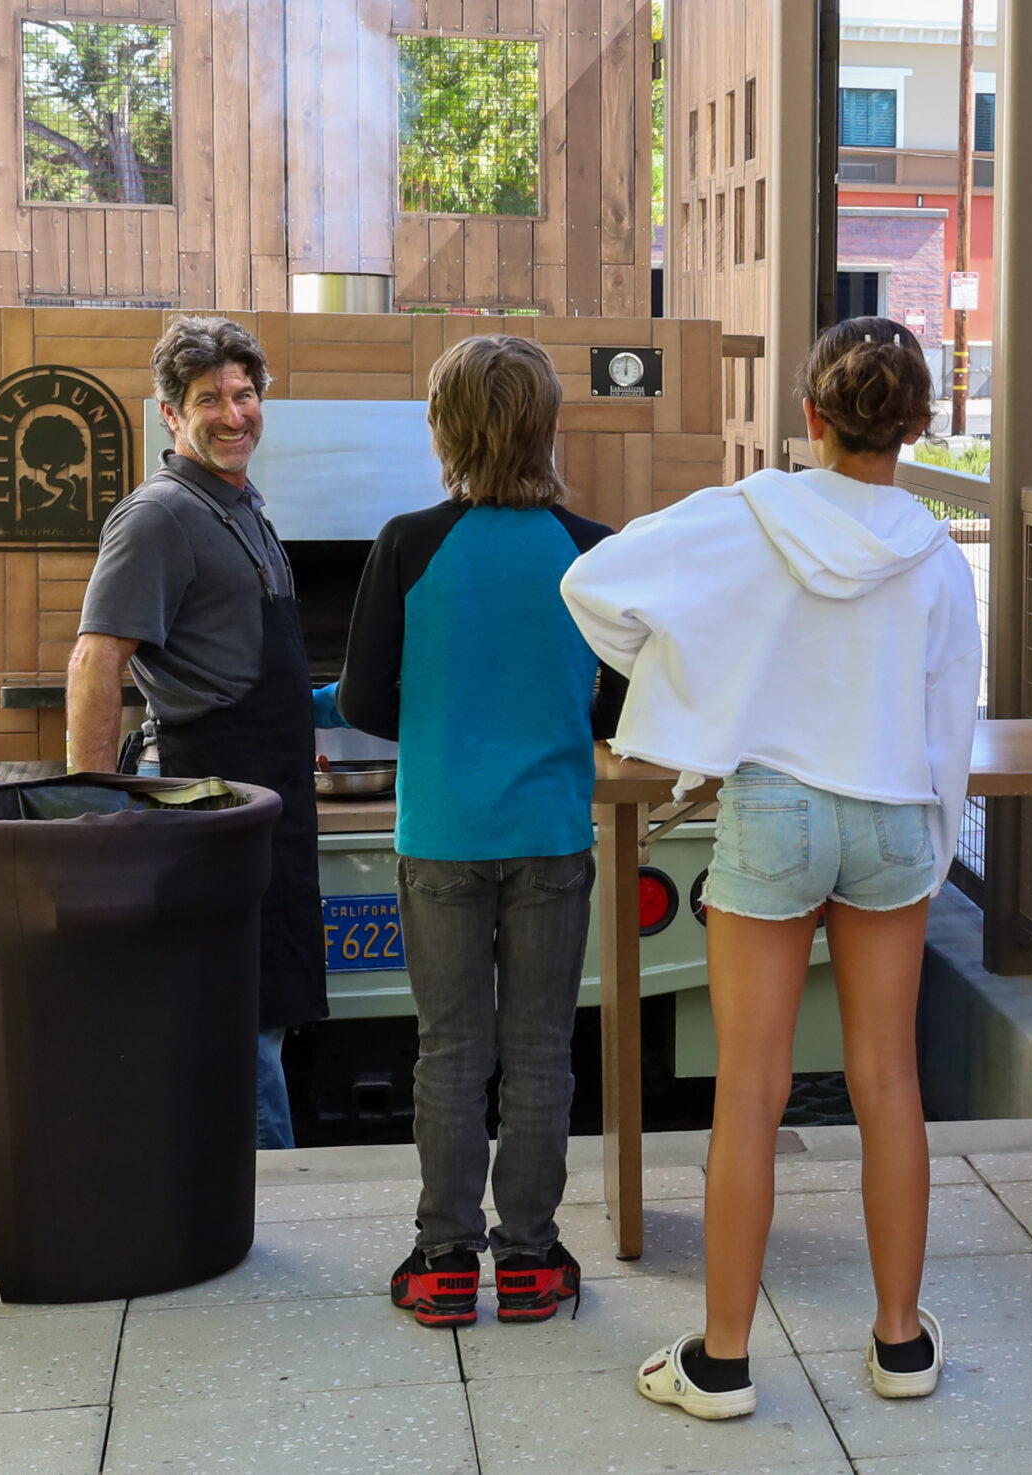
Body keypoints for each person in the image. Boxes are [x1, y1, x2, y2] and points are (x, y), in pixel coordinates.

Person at [562, 318, 979, 1422]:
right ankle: (900, 1344)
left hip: (774, 806)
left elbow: (595, 585)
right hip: (893, 808)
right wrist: (934, 843)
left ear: (812, 416)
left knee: (749, 1088)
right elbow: (949, 716)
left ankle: (724, 1359)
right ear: (919, 425)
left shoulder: (746, 516)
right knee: (889, 1081)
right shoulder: (937, 554)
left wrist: (707, 675)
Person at [313, 335, 621, 1328]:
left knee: (450, 1048)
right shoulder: (591, 545)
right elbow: (620, 700)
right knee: (538, 1049)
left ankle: (444, 1258)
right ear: (546, 425)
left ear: (443, 429)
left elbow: (363, 695)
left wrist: (447, 714)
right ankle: (530, 1261)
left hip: (440, 832)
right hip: (549, 831)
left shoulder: (406, 541)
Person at [68, 316, 325, 1150]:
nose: (233, 413)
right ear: (170, 414)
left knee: (264, 1015)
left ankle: (261, 1208)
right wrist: (95, 808)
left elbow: (245, 660)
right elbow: (96, 661)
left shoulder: (240, 506)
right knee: (233, 1027)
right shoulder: (159, 516)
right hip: (208, 807)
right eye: (208, 398)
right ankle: (256, 1220)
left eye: (245, 394)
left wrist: (312, 714)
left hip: (268, 800)